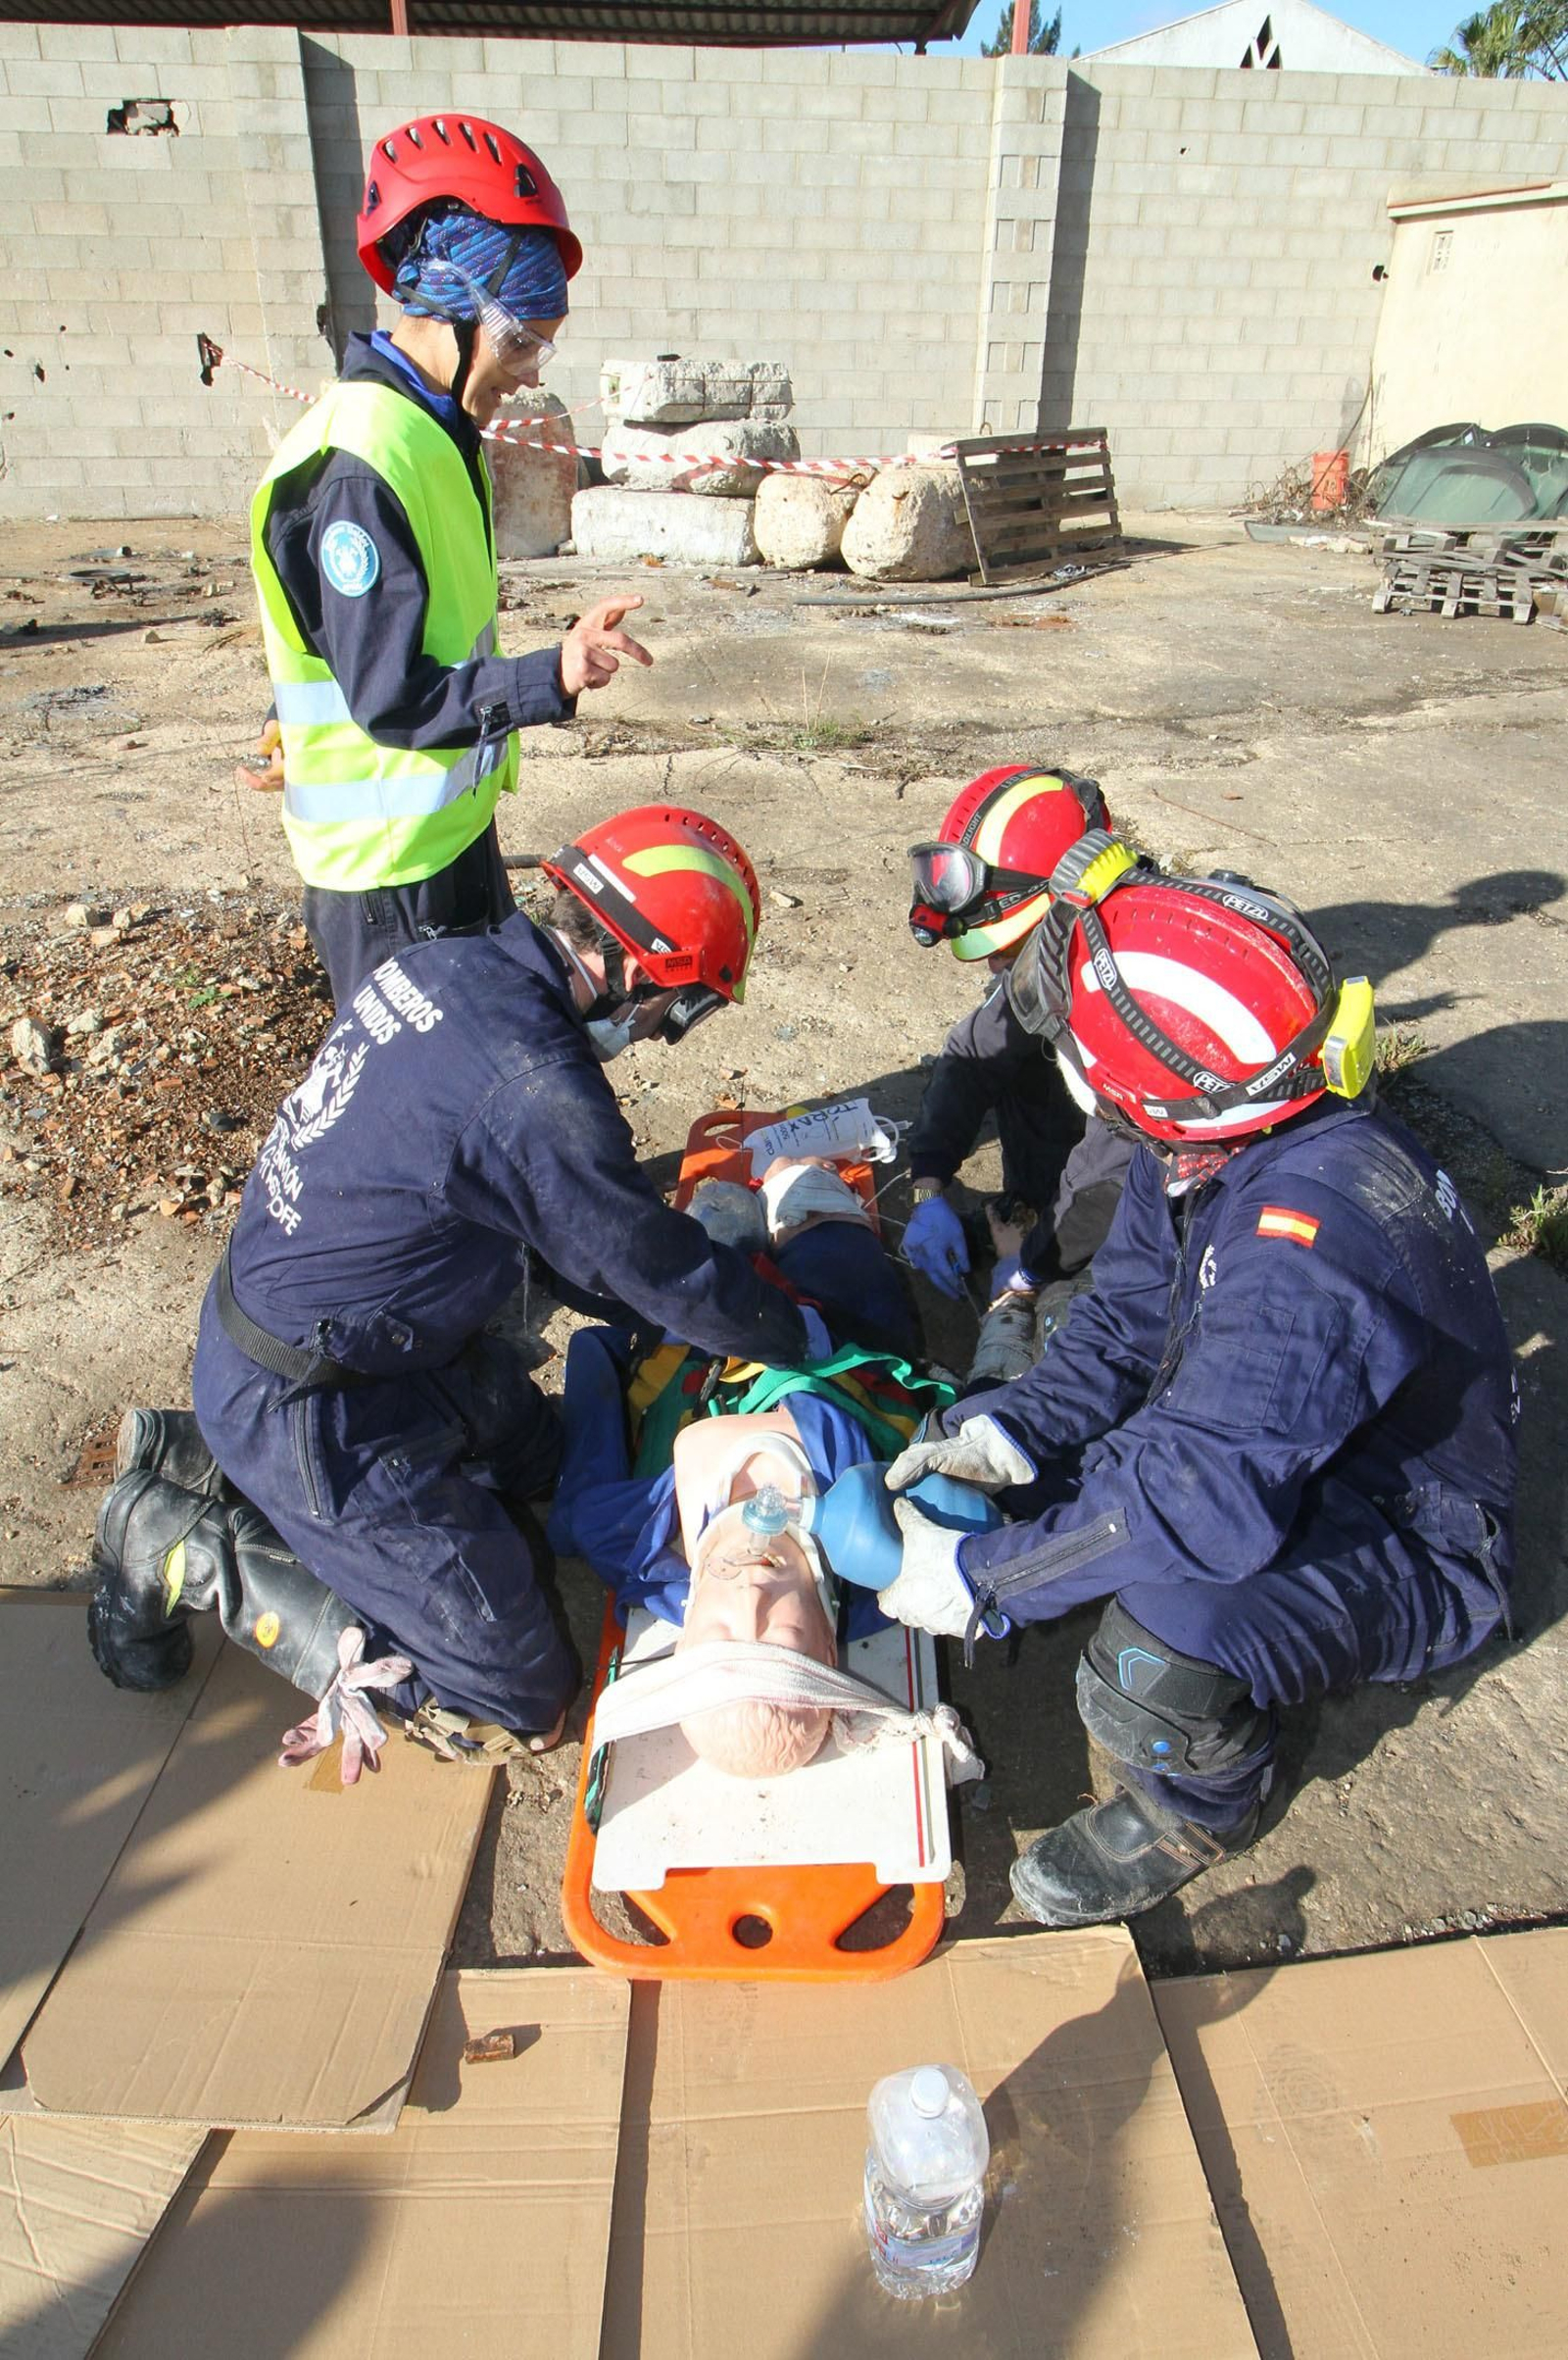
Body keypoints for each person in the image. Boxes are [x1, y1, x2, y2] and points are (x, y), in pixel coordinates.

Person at [87, 806, 839, 1773]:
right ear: (637, 969)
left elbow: (578, 1237)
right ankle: (185, 1536)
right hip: (311, 1403)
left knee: (547, 1459)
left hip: (350, 1335)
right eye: (676, 1007)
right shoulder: (533, 1088)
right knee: (516, 1699)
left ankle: (203, 1448)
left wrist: (667, 1303)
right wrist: (792, 1334)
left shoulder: (447, 964)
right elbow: (644, 1260)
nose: (659, 1034)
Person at [866, 834, 1519, 1925]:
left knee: (1152, 1645)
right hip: (1274, 1433)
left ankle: (1198, 1801)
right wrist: (1015, 1429)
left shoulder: (1305, 1244)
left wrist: (991, 1579)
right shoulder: (1212, 1132)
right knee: (1024, 1465)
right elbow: (1124, 1313)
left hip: (1407, 1530)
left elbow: (1202, 1497)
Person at [252, 112, 653, 1005]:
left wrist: (289, 715)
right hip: (389, 880)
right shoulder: (361, 463)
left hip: (444, 836)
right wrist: (552, 673)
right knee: (428, 1105)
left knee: (485, 1065)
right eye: (521, 340)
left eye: (545, 343)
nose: (533, 370)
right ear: (448, 307)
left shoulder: (435, 434)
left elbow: (344, 632)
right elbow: (390, 692)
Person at [549, 1168, 958, 1778]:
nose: (748, 1597)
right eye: (778, 1639)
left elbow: (672, 1432)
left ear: (681, 1639)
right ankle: (799, 1215)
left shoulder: (633, 1552)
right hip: (836, 1334)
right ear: (828, 1648)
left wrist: (689, 1524)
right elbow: (810, 1427)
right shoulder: (882, 1574)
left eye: (719, 1634)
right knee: (816, 1205)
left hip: (704, 1334)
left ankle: (732, 1235)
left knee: (712, 1230)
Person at [901, 765, 1135, 1316]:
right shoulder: (1049, 954)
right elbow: (973, 1056)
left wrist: (1034, 1263)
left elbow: (1113, 1165)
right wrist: (928, 1184)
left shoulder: (1126, 995)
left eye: (1007, 948)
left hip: (1160, 1194)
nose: (993, 962)